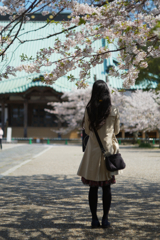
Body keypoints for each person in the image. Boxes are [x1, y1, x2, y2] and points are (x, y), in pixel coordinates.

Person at [77, 80, 120, 228]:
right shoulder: (113, 110)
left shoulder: (89, 109)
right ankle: (106, 219)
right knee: (107, 187)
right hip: (108, 151)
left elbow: (88, 131)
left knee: (93, 187)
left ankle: (94, 219)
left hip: (93, 152)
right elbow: (117, 131)